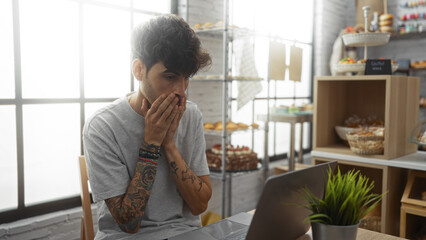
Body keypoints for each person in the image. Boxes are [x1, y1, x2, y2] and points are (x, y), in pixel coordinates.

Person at [83, 14, 212, 240]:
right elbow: (128, 222)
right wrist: (151, 143)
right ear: (139, 70)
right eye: (170, 77)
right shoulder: (103, 126)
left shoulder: (190, 114)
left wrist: (169, 144)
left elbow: (199, 205)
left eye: (186, 78)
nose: (181, 91)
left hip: (186, 233)